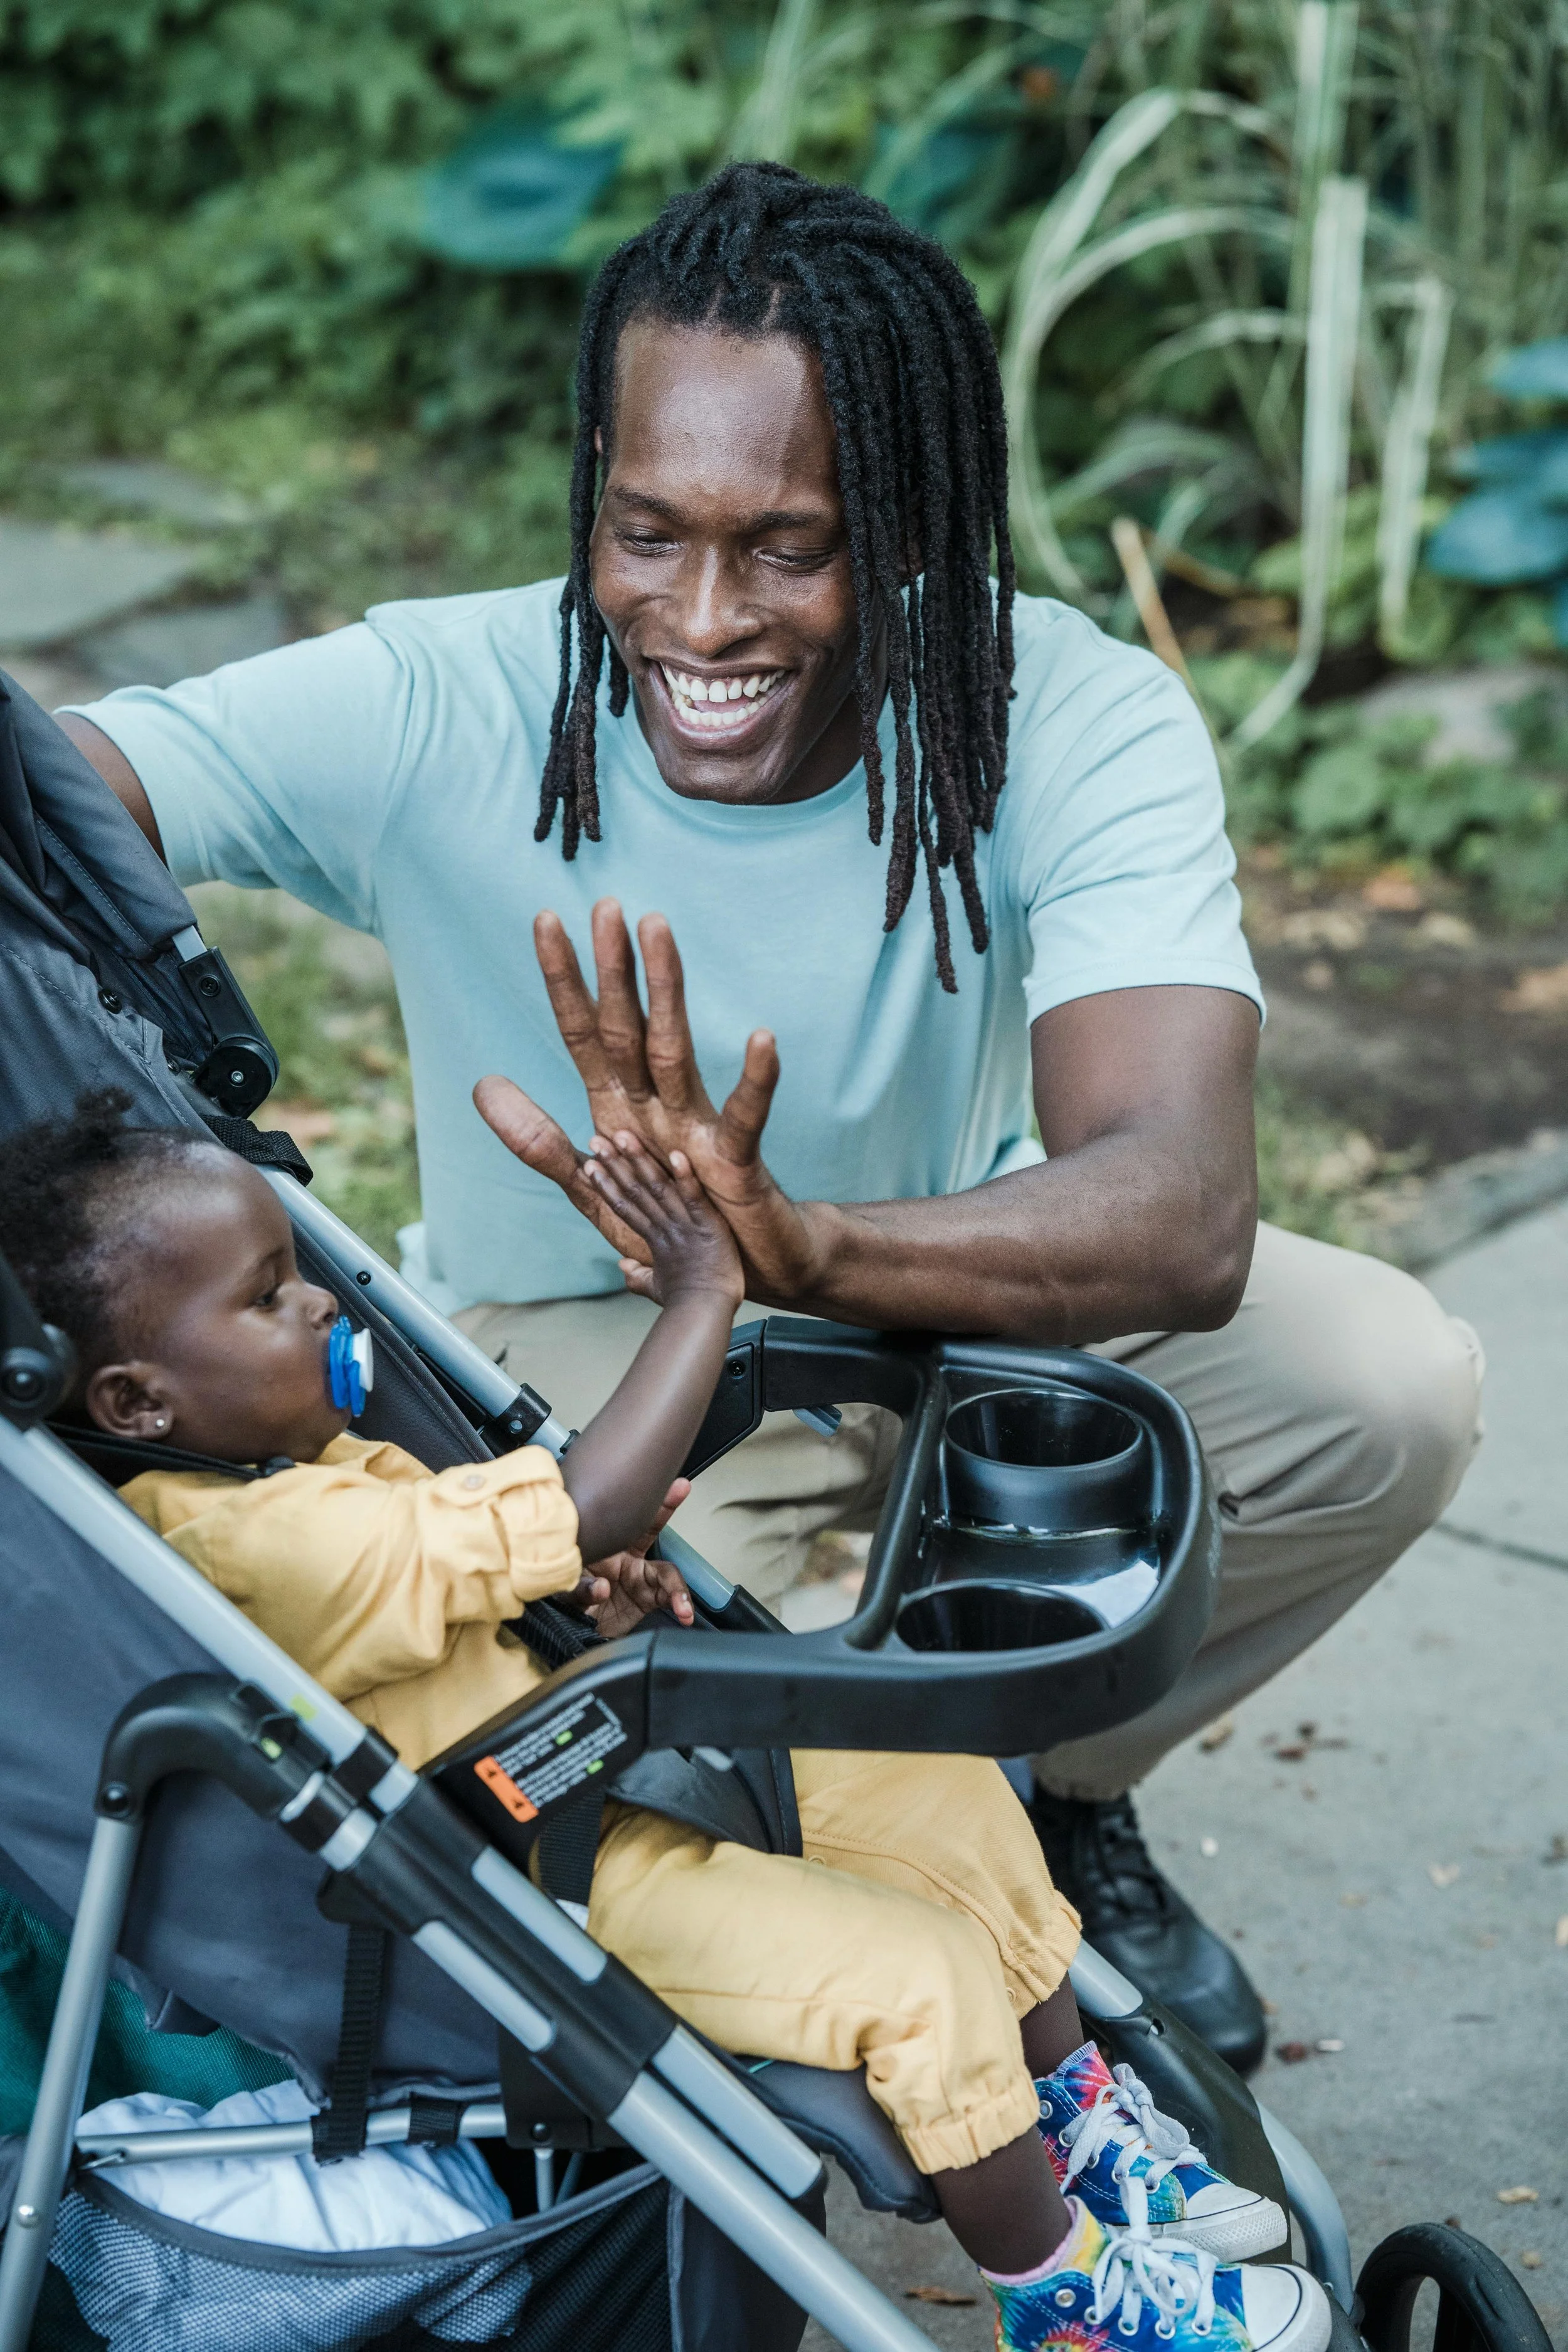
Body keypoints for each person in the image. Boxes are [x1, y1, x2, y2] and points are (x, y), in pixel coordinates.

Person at [56, 161, 1483, 2072]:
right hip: (575, 1343)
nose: (701, 618)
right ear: (590, 483)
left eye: (786, 547)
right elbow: (71, 786)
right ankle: (909, 1812)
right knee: (771, 1719)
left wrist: (796, 1248)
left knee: (1386, 1382)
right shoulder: (438, 695)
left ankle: (1059, 1792)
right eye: (644, 533)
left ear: (902, 525)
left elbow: (1177, 1207)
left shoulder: (1058, 710)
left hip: (949, 1275)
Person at [0, 1091, 1329, 2352]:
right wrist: (703, 1294)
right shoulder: (251, 1540)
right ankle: (1065, 2299)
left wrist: (606, 1625)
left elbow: (476, 1611)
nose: (317, 1305)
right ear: (135, 1403)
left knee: (928, 1783)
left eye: (300, 1268)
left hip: (593, 1769)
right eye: (268, 1297)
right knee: (912, 1977)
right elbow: (572, 1508)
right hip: (534, 1885)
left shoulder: (296, 1458)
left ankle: (1072, 2131)